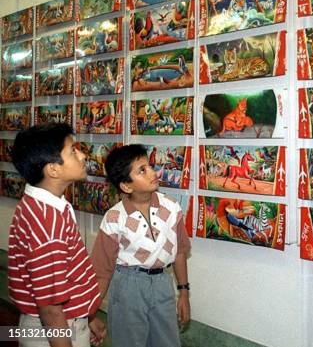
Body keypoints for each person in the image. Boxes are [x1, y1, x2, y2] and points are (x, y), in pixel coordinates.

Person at [8, 123, 106, 347]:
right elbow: (51, 309)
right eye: (73, 150)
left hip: (59, 323)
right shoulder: (47, 224)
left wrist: (88, 317)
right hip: (53, 332)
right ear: (53, 169)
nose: (82, 155)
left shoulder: (42, 205)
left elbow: (63, 277)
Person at [91, 144, 191, 347]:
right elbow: (101, 271)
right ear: (126, 186)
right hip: (128, 287)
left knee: (168, 341)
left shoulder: (171, 208)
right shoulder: (114, 218)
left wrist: (184, 293)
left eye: (150, 166)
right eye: (142, 170)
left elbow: (179, 252)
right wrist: (90, 314)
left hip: (163, 282)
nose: (153, 173)